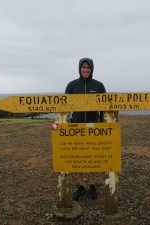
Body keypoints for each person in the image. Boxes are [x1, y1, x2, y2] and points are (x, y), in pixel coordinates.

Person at [65, 57, 106, 200]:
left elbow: (104, 108)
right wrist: (67, 126)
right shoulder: (71, 86)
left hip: (94, 126)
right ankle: (81, 185)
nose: (86, 70)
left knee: (93, 156)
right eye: (83, 67)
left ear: (92, 69)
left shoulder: (99, 86)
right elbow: (65, 107)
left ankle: (93, 184)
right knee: (78, 157)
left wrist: (102, 125)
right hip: (76, 126)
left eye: (88, 67)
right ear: (79, 69)